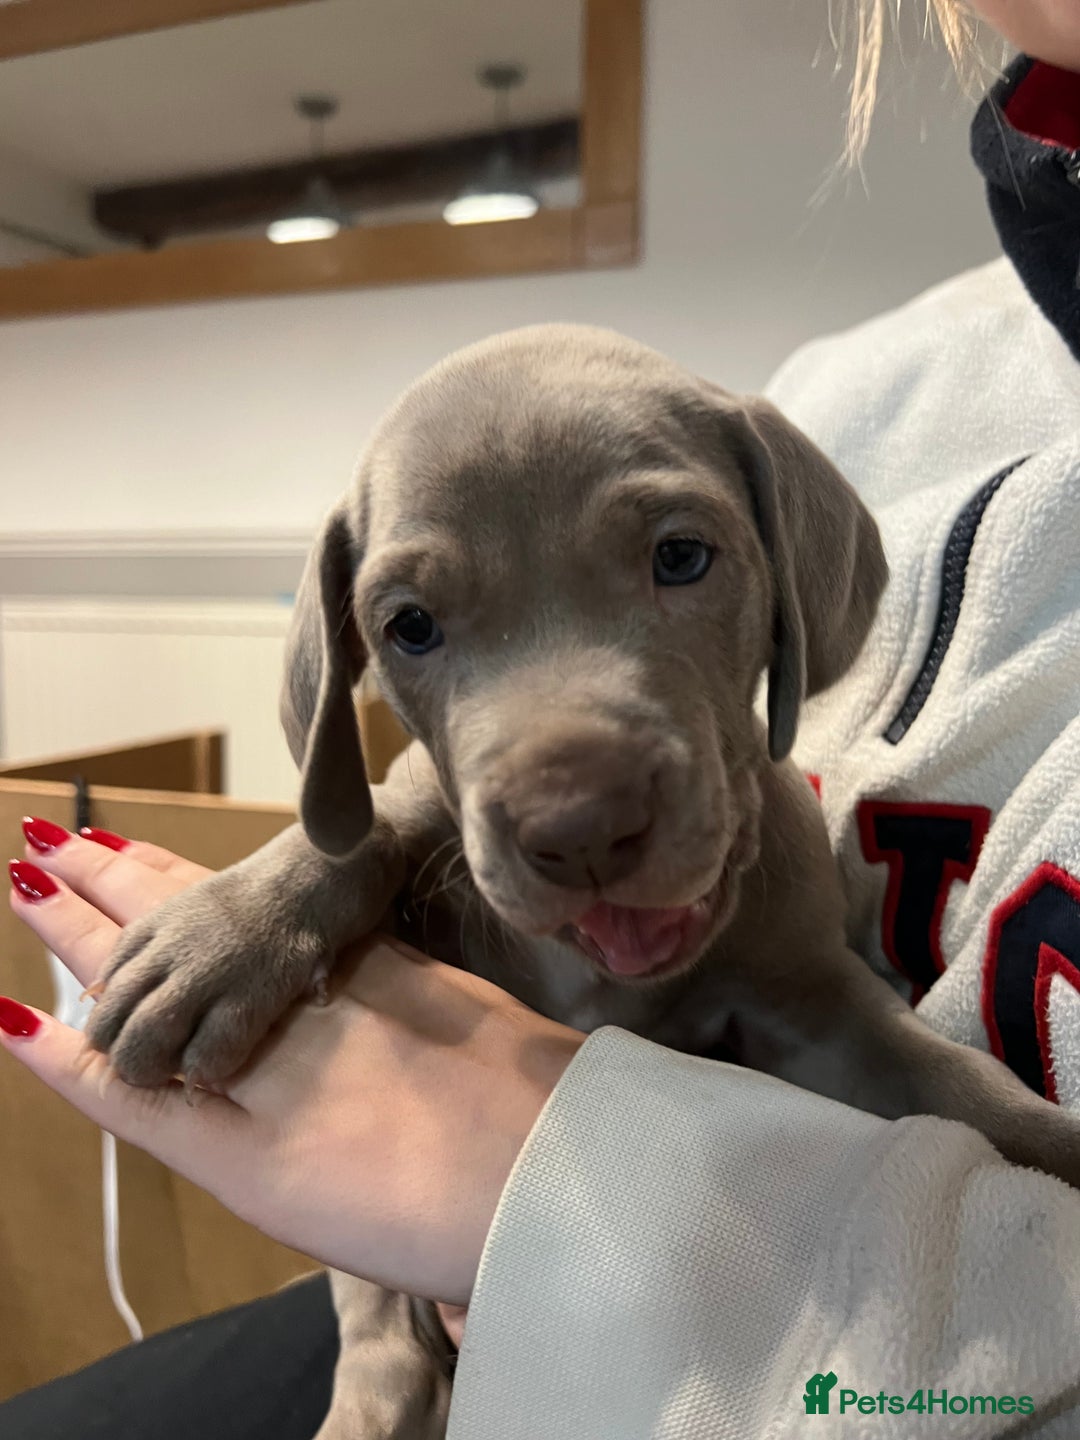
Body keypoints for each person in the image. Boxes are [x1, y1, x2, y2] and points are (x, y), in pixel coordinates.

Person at [3, 0, 1080, 1434]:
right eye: (420, 624)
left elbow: (845, 1035)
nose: (565, 798)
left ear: (787, 595)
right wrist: (331, 866)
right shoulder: (871, 385)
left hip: (814, 1319)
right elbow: (401, 845)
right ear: (355, 672)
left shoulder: (771, 836)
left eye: (676, 558)